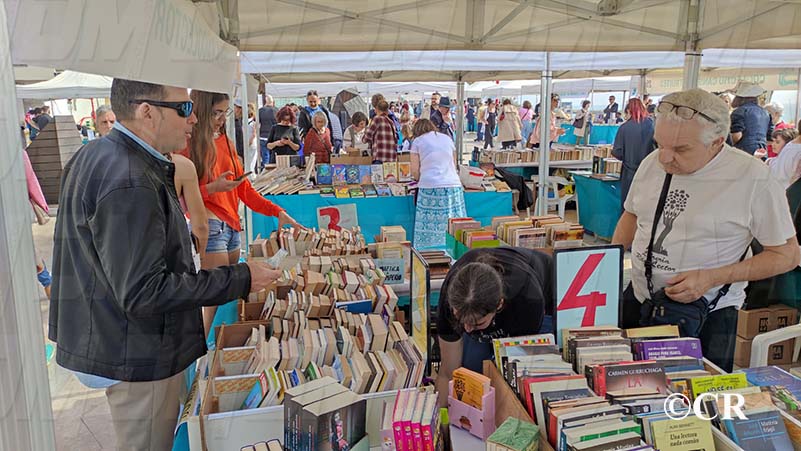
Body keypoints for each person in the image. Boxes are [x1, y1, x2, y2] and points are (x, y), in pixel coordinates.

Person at [50, 78, 281, 451]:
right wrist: (240, 278)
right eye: (183, 108)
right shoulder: (130, 178)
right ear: (147, 112)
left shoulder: (99, 155)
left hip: (113, 337)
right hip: (135, 351)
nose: (193, 119)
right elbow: (145, 291)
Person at [612, 88, 800, 372]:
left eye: (681, 149)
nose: (665, 158)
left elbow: (787, 255)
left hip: (707, 314)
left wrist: (712, 278)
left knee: (697, 394)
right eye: (659, 144)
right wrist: (608, 264)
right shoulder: (653, 162)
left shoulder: (753, 177)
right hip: (638, 299)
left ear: (716, 142)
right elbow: (632, 214)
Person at [181, 90, 304, 335]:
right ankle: (201, 348)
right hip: (210, 225)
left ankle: (215, 347)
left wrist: (277, 211)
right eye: (216, 113)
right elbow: (180, 197)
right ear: (201, 111)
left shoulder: (225, 142)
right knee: (213, 298)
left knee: (226, 298)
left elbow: (244, 190)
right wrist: (212, 189)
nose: (221, 119)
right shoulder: (188, 144)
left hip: (231, 226)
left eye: (224, 113)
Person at [434, 247, 553, 405]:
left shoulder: (528, 300)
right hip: (495, 302)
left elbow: (520, 371)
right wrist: (439, 416)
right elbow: (448, 373)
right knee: (470, 370)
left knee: (514, 384)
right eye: (460, 320)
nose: (467, 329)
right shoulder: (450, 298)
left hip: (545, 294)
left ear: (499, 305)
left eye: (477, 323)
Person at [410, 118, 465, 249]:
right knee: (453, 223)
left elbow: (415, 170)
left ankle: (428, 251)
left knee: (429, 226)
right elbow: (454, 164)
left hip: (430, 186)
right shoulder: (447, 139)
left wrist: (419, 178)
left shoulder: (418, 142)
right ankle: (455, 251)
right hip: (453, 185)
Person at [612, 98, 656, 210]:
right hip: (650, 172)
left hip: (629, 173)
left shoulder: (624, 128)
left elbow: (617, 152)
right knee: (646, 207)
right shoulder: (652, 125)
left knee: (628, 207)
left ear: (628, 111)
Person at [730, 82, 772, 155]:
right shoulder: (766, 113)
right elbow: (770, 139)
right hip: (762, 151)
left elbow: (737, 136)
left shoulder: (740, 111)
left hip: (744, 151)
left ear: (741, 97)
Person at [258, 95, 277, 168]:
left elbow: (257, 123)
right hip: (274, 137)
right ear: (272, 102)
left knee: (265, 156)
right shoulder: (276, 110)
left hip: (263, 136)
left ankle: (265, 170)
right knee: (273, 156)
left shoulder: (260, 111)